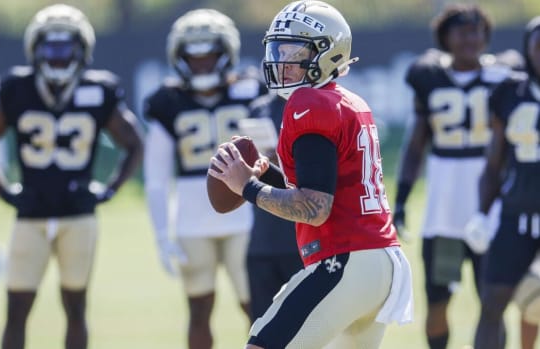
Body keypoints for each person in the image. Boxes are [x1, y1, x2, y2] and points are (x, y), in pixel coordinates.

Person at [208, 1, 414, 348]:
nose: (282, 60)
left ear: (328, 54)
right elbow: (321, 185)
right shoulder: (349, 102)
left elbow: (316, 207)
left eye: (294, 50)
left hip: (344, 261)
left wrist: (248, 187)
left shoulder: (309, 103)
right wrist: (268, 174)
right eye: (279, 48)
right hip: (379, 263)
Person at [0, 4, 143, 349]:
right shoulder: (16, 88)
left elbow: (135, 143)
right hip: (30, 215)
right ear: (35, 48)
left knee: (76, 308)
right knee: (16, 309)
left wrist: (108, 190)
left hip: (78, 216)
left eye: (65, 48)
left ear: (81, 49)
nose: (58, 57)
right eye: (50, 47)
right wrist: (4, 191)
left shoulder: (98, 89)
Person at [392, 4, 517, 349]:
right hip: (444, 213)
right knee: (437, 300)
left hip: (490, 211)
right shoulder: (429, 76)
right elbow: (415, 145)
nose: (471, 38)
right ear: (445, 36)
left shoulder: (505, 77)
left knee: (494, 300)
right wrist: (401, 198)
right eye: (462, 31)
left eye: (477, 31)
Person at [142, 8, 267, 349]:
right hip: (192, 220)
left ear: (226, 53)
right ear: (178, 57)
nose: (201, 63)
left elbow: (273, 154)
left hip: (246, 214)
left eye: (209, 55)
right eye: (192, 56)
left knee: (258, 310)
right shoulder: (168, 101)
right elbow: (155, 176)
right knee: (198, 311)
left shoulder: (251, 90)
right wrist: (160, 234)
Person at [465, 16, 540, 349]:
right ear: (529, 49)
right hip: (516, 216)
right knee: (492, 304)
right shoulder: (509, 92)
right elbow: (493, 162)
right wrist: (482, 213)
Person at [240, 93, 303, 323]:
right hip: (262, 241)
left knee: (307, 327)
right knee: (262, 326)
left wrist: (284, 161)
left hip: (302, 240)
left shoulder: (314, 106)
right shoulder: (259, 108)